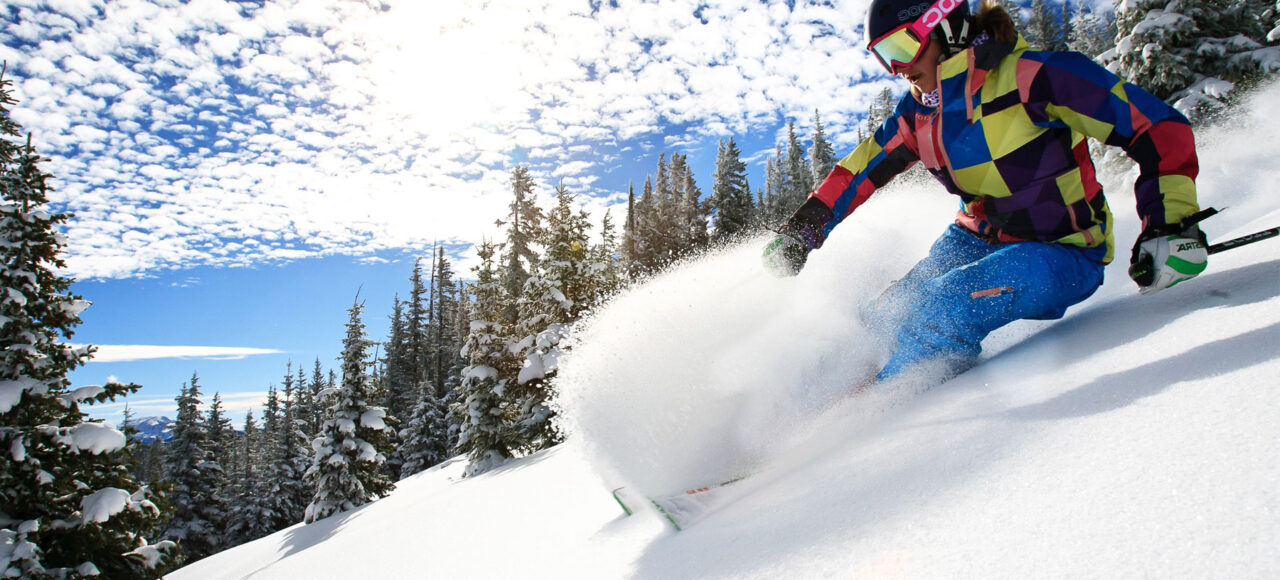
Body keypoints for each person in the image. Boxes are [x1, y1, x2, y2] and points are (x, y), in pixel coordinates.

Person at [763, 0, 1210, 382]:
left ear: (946, 28)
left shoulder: (1033, 77)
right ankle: (814, 401)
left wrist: (1169, 223)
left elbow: (1155, 127)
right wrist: (803, 229)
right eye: (885, 57)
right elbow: (858, 171)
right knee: (887, 313)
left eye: (902, 48)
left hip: (1062, 250)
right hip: (976, 236)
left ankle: (874, 417)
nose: (898, 69)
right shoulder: (918, 114)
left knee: (942, 308)